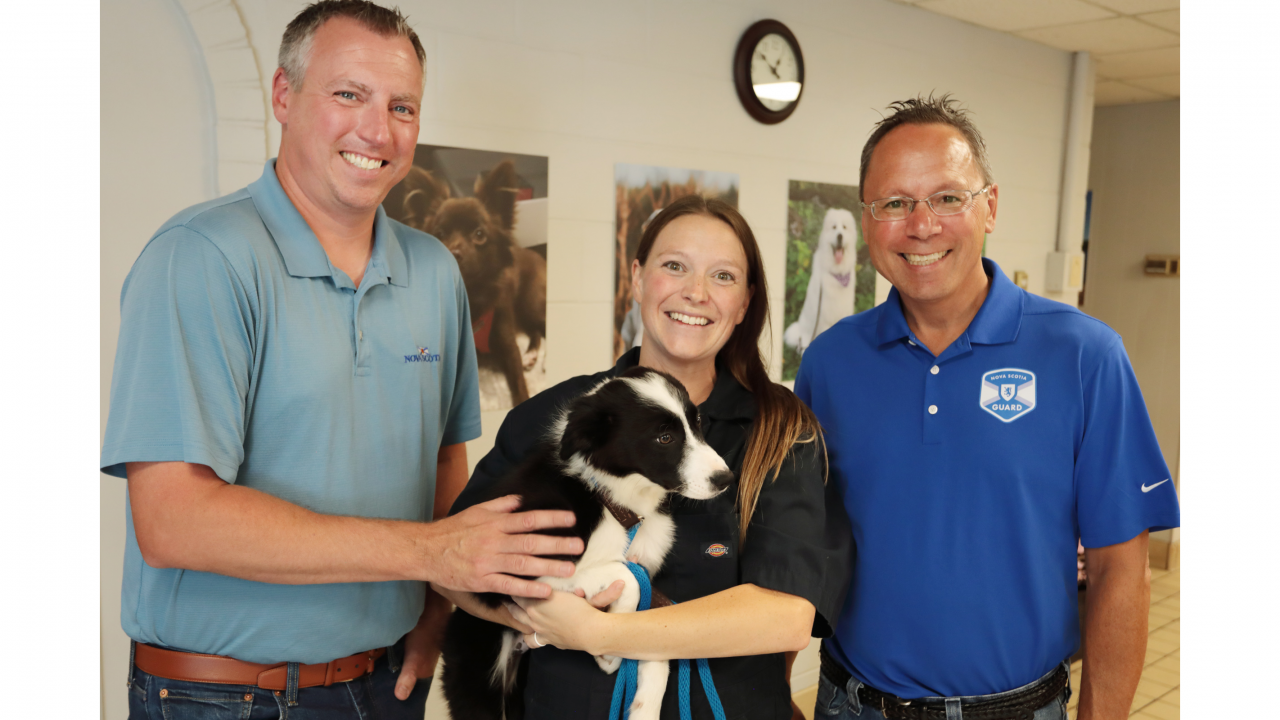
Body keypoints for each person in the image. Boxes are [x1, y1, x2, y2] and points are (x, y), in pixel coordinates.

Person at [100, 2, 584, 718]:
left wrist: (434, 615)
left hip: (385, 685)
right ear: (283, 97)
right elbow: (174, 520)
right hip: (224, 696)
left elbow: (445, 463)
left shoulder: (433, 271)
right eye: (348, 94)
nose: (377, 129)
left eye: (403, 106)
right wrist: (428, 555)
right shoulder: (201, 258)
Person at [795, 95, 1181, 720]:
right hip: (852, 705)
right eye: (895, 203)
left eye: (948, 198)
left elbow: (1120, 570)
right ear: (867, 220)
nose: (921, 225)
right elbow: (796, 543)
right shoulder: (829, 364)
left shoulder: (1085, 355)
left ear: (990, 207)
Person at [438, 194, 853, 720]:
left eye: (722, 276)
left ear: (745, 302)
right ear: (637, 279)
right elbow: (454, 565)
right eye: (674, 266)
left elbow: (787, 616)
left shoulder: (781, 432)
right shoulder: (559, 419)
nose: (695, 292)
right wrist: (543, 613)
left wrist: (602, 632)